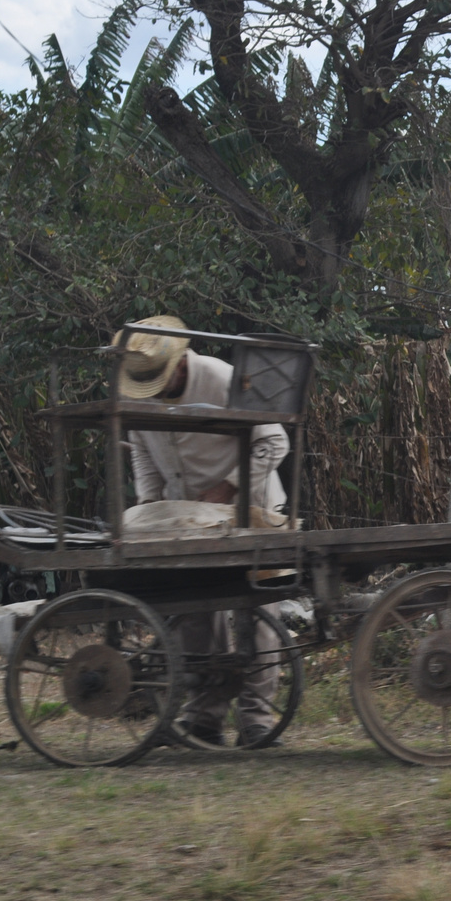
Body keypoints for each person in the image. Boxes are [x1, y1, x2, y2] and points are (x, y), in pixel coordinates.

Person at [117, 315, 291, 747]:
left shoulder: (220, 377)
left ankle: (256, 720)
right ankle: (205, 718)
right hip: (188, 524)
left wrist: (229, 486)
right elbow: (143, 456)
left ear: (178, 365)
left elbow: (274, 441)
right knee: (196, 613)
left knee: (257, 613)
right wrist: (148, 509)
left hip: (251, 511)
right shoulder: (141, 398)